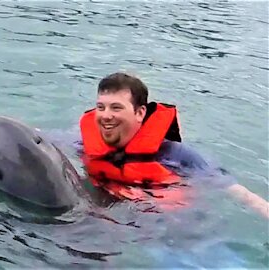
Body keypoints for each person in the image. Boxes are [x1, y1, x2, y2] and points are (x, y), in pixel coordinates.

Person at [79, 72, 269, 218]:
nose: (105, 115)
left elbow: (235, 190)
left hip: (170, 227)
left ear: (140, 112)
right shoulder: (82, 143)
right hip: (111, 218)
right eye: (101, 107)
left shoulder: (175, 155)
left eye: (116, 107)